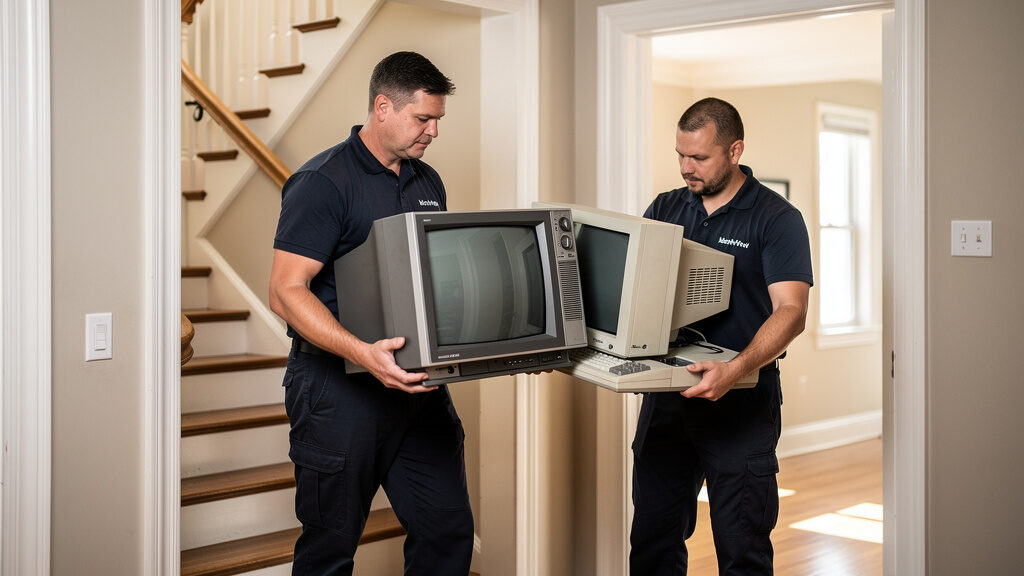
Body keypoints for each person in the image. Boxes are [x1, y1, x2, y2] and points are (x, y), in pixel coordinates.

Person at [268, 51, 473, 575]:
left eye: (438, 120)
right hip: (337, 391)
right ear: (382, 107)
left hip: (417, 388)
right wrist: (363, 353)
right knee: (330, 551)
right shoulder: (323, 181)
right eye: (422, 118)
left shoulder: (428, 182)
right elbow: (286, 292)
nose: (432, 132)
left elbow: (431, 280)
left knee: (447, 532)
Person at [629, 97, 813, 575]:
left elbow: (791, 311)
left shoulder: (776, 219)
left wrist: (735, 369)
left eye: (700, 158)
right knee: (652, 543)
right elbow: (634, 292)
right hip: (668, 399)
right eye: (680, 156)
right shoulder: (666, 207)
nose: (687, 168)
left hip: (741, 403)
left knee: (742, 552)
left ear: (735, 151)